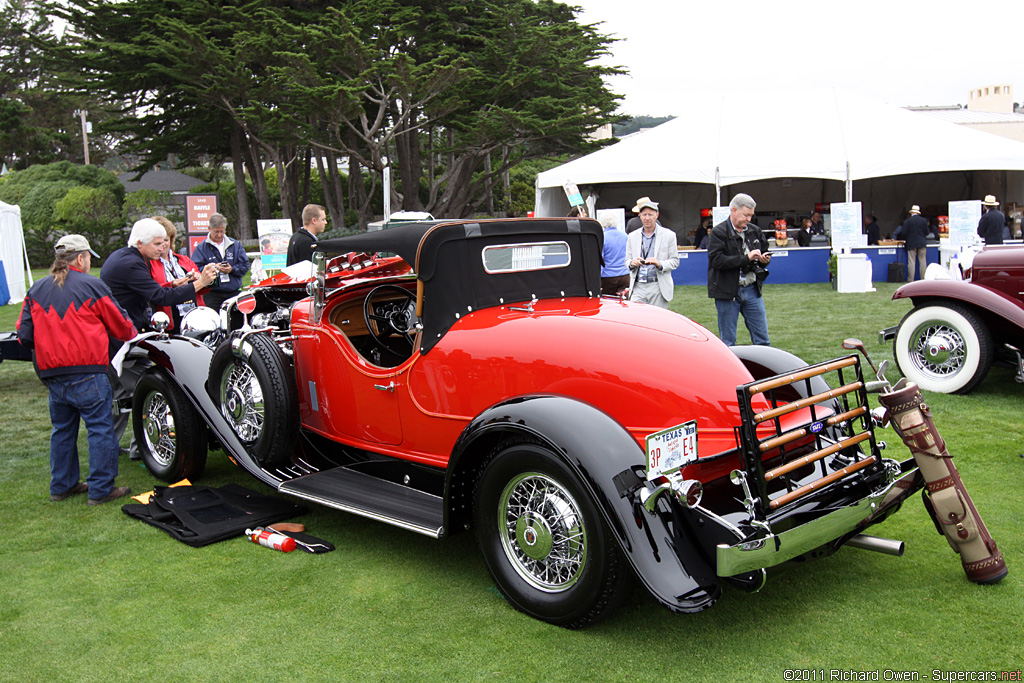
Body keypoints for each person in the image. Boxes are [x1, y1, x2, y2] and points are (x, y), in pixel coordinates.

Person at [17, 235, 138, 504]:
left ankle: (62, 485)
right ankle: (101, 489)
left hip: (52, 374)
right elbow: (122, 326)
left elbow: (23, 335)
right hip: (88, 370)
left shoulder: (36, 288)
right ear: (81, 258)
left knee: (62, 430)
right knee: (100, 428)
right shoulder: (93, 286)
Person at [102, 218, 218, 332]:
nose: (162, 248)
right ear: (139, 243)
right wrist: (201, 282)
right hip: (123, 328)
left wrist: (172, 284)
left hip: (120, 324)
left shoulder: (124, 256)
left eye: (164, 242)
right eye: (157, 244)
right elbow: (161, 296)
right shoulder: (133, 264)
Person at [707, 193, 771, 346]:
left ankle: (764, 369)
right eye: (746, 215)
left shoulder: (755, 231)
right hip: (727, 292)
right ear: (734, 210)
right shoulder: (718, 232)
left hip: (752, 290)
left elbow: (763, 253)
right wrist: (746, 258)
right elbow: (717, 260)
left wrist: (764, 261)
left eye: (751, 216)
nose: (749, 219)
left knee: (763, 340)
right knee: (728, 342)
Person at [148, 216, 204, 331]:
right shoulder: (148, 264)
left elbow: (202, 290)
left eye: (166, 240)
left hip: (194, 317)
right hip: (168, 320)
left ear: (171, 240)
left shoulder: (184, 260)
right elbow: (152, 292)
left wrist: (200, 279)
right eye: (158, 241)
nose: (163, 244)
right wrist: (172, 284)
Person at [625, 198, 679, 308]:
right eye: (644, 215)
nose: (647, 218)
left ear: (657, 215)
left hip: (658, 286)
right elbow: (627, 260)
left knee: (657, 321)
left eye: (650, 214)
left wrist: (660, 264)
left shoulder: (669, 235)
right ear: (639, 216)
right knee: (636, 321)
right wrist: (632, 263)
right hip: (638, 286)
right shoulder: (632, 236)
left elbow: (675, 261)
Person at [191, 213, 250, 310]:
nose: (219, 235)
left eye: (222, 232)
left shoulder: (235, 245)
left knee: (235, 322)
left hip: (233, 292)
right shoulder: (201, 248)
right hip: (212, 294)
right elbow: (196, 269)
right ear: (209, 228)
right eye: (216, 232)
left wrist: (232, 270)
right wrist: (214, 269)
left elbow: (244, 266)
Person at [895, 205, 929, 281]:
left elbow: (904, 233)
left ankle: (911, 279)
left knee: (911, 262)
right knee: (923, 261)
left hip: (911, 243)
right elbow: (927, 232)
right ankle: (923, 278)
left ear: (911, 213)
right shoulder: (923, 221)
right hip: (921, 242)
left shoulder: (907, 221)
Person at [599, 215, 629, 295]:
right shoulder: (625, 236)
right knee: (624, 303)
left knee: (609, 303)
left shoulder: (602, 237)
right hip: (625, 275)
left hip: (608, 277)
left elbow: (600, 259)